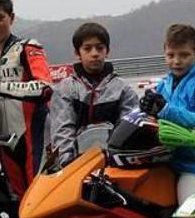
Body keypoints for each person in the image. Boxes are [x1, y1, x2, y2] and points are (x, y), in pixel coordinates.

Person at [0, 0, 52, 197]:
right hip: (4, 142)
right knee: (17, 201)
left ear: (12, 18)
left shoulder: (28, 48)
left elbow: (45, 88)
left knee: (40, 199)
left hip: (35, 137)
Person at [138, 24, 195, 203]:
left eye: (184, 55)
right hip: (166, 163)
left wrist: (165, 110)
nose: (177, 61)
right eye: (171, 55)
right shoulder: (164, 84)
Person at [48, 22, 139, 167]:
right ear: (77, 53)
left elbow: (129, 130)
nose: (94, 53)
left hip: (115, 166)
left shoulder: (123, 89)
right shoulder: (65, 89)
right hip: (75, 166)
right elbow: (63, 131)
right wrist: (68, 165)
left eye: (100, 48)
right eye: (87, 48)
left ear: (107, 51)